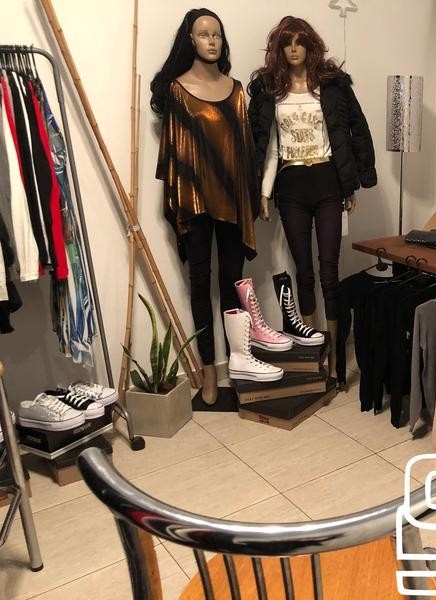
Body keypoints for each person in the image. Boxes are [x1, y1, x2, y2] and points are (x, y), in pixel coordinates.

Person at [248, 16, 376, 379]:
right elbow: (270, 147)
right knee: (303, 272)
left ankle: (335, 358)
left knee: (329, 271)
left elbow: (353, 131)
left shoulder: (331, 87)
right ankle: (314, 351)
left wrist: (351, 185)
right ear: (279, 48)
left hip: (327, 181)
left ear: (309, 45)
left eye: (299, 42)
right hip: (291, 185)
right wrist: (263, 192)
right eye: (286, 43)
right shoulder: (271, 91)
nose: (293, 49)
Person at [151, 8, 260, 405]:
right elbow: (176, 152)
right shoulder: (178, 91)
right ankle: (209, 374)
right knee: (200, 285)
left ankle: (237, 369)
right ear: (190, 40)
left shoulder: (237, 90)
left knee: (232, 285)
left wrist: (253, 197)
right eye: (203, 34)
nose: (212, 41)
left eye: (217, 34)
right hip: (195, 202)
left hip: (232, 202)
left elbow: (244, 150)